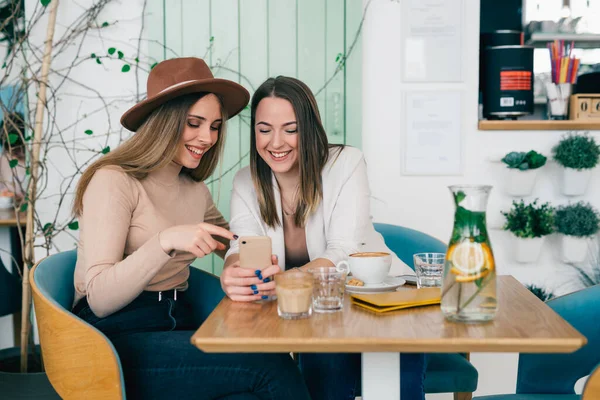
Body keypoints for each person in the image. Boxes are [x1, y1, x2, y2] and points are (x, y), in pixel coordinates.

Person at [71, 58, 311, 400]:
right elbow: (99, 300)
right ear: (163, 122)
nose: (207, 137)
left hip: (179, 321)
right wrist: (164, 241)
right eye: (194, 123)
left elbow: (236, 240)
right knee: (269, 366)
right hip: (116, 338)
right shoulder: (114, 181)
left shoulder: (194, 191)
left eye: (214, 126)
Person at [220, 76, 425, 400]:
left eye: (290, 129)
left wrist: (287, 280)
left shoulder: (346, 162)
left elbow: (343, 249)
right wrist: (233, 271)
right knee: (323, 368)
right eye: (264, 129)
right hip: (319, 313)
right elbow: (242, 244)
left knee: (397, 375)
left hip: (379, 301)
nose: (276, 142)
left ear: (309, 128)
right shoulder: (247, 181)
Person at [0, 111, 27, 199]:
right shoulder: (4, 159)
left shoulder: (33, 161)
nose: (18, 153)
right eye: (13, 150)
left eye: (20, 148)